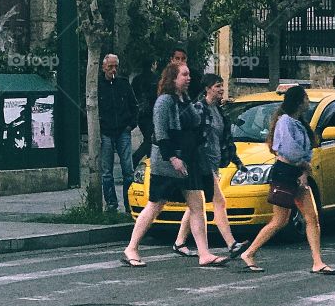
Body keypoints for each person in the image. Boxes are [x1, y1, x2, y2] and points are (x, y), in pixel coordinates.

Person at [123, 60, 226, 267]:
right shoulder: (164, 102)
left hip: (187, 161)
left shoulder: (183, 99)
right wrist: (173, 158)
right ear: (173, 78)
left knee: (197, 206)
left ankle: (204, 254)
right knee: (155, 206)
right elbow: (161, 134)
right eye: (184, 75)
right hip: (167, 163)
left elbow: (195, 123)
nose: (189, 78)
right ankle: (131, 248)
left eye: (188, 75)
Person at [239, 85, 335, 276]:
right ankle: (249, 253)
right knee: (280, 220)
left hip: (297, 173)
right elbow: (289, 150)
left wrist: (304, 170)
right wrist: (304, 164)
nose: (308, 101)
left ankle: (317, 261)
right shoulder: (285, 122)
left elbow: (307, 149)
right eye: (306, 98)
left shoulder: (299, 122)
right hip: (285, 173)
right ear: (299, 101)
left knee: (312, 218)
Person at [173, 74, 248, 260]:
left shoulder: (220, 111)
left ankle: (179, 242)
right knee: (219, 202)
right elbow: (192, 137)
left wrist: (237, 161)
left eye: (222, 86)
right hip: (202, 165)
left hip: (213, 164)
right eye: (217, 86)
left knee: (194, 205)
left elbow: (224, 141)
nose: (221, 89)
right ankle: (231, 244)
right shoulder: (199, 109)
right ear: (207, 89)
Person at [98, 53, 137, 212]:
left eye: (115, 67)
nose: (113, 70)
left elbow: (134, 106)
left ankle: (129, 204)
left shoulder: (123, 84)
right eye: (110, 67)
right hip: (106, 131)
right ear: (103, 67)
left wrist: (130, 125)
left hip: (123, 130)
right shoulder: (98, 85)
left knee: (128, 169)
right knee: (107, 171)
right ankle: (111, 203)